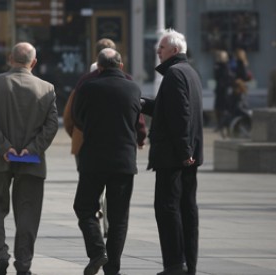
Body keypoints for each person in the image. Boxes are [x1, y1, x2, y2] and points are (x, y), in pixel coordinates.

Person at [0, 42, 58, 275]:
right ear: (33, 63)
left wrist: (5, 147)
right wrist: (33, 148)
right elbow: (52, 124)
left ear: (9, 58)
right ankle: (23, 264)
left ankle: (0, 253)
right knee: (28, 211)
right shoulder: (46, 88)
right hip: (31, 160)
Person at [72, 48, 142, 275]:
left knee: (84, 207)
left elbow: (77, 118)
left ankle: (97, 251)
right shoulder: (133, 88)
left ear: (99, 67)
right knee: (119, 218)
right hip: (124, 161)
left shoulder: (88, 88)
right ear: (121, 66)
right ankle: (113, 268)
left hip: (93, 160)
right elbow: (136, 121)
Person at [141, 29, 203, 275]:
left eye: (161, 48)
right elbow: (172, 109)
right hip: (186, 154)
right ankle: (188, 265)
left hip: (174, 156)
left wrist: (184, 150)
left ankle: (175, 264)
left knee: (167, 208)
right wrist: (143, 103)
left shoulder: (175, 74)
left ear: (174, 51)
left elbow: (181, 116)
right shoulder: (190, 72)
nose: (158, 51)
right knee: (187, 209)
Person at [63, 38, 147, 169]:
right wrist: (140, 137)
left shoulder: (85, 81)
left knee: (91, 184)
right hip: (122, 144)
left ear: (98, 59)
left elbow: (73, 114)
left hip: (88, 142)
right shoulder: (129, 83)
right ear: (119, 62)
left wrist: (79, 133)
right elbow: (137, 114)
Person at [213, 50, 232, 131]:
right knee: (218, 108)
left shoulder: (226, 66)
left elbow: (226, 78)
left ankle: (223, 124)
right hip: (219, 90)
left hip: (224, 90)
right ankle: (220, 124)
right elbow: (216, 76)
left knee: (223, 108)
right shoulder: (217, 65)